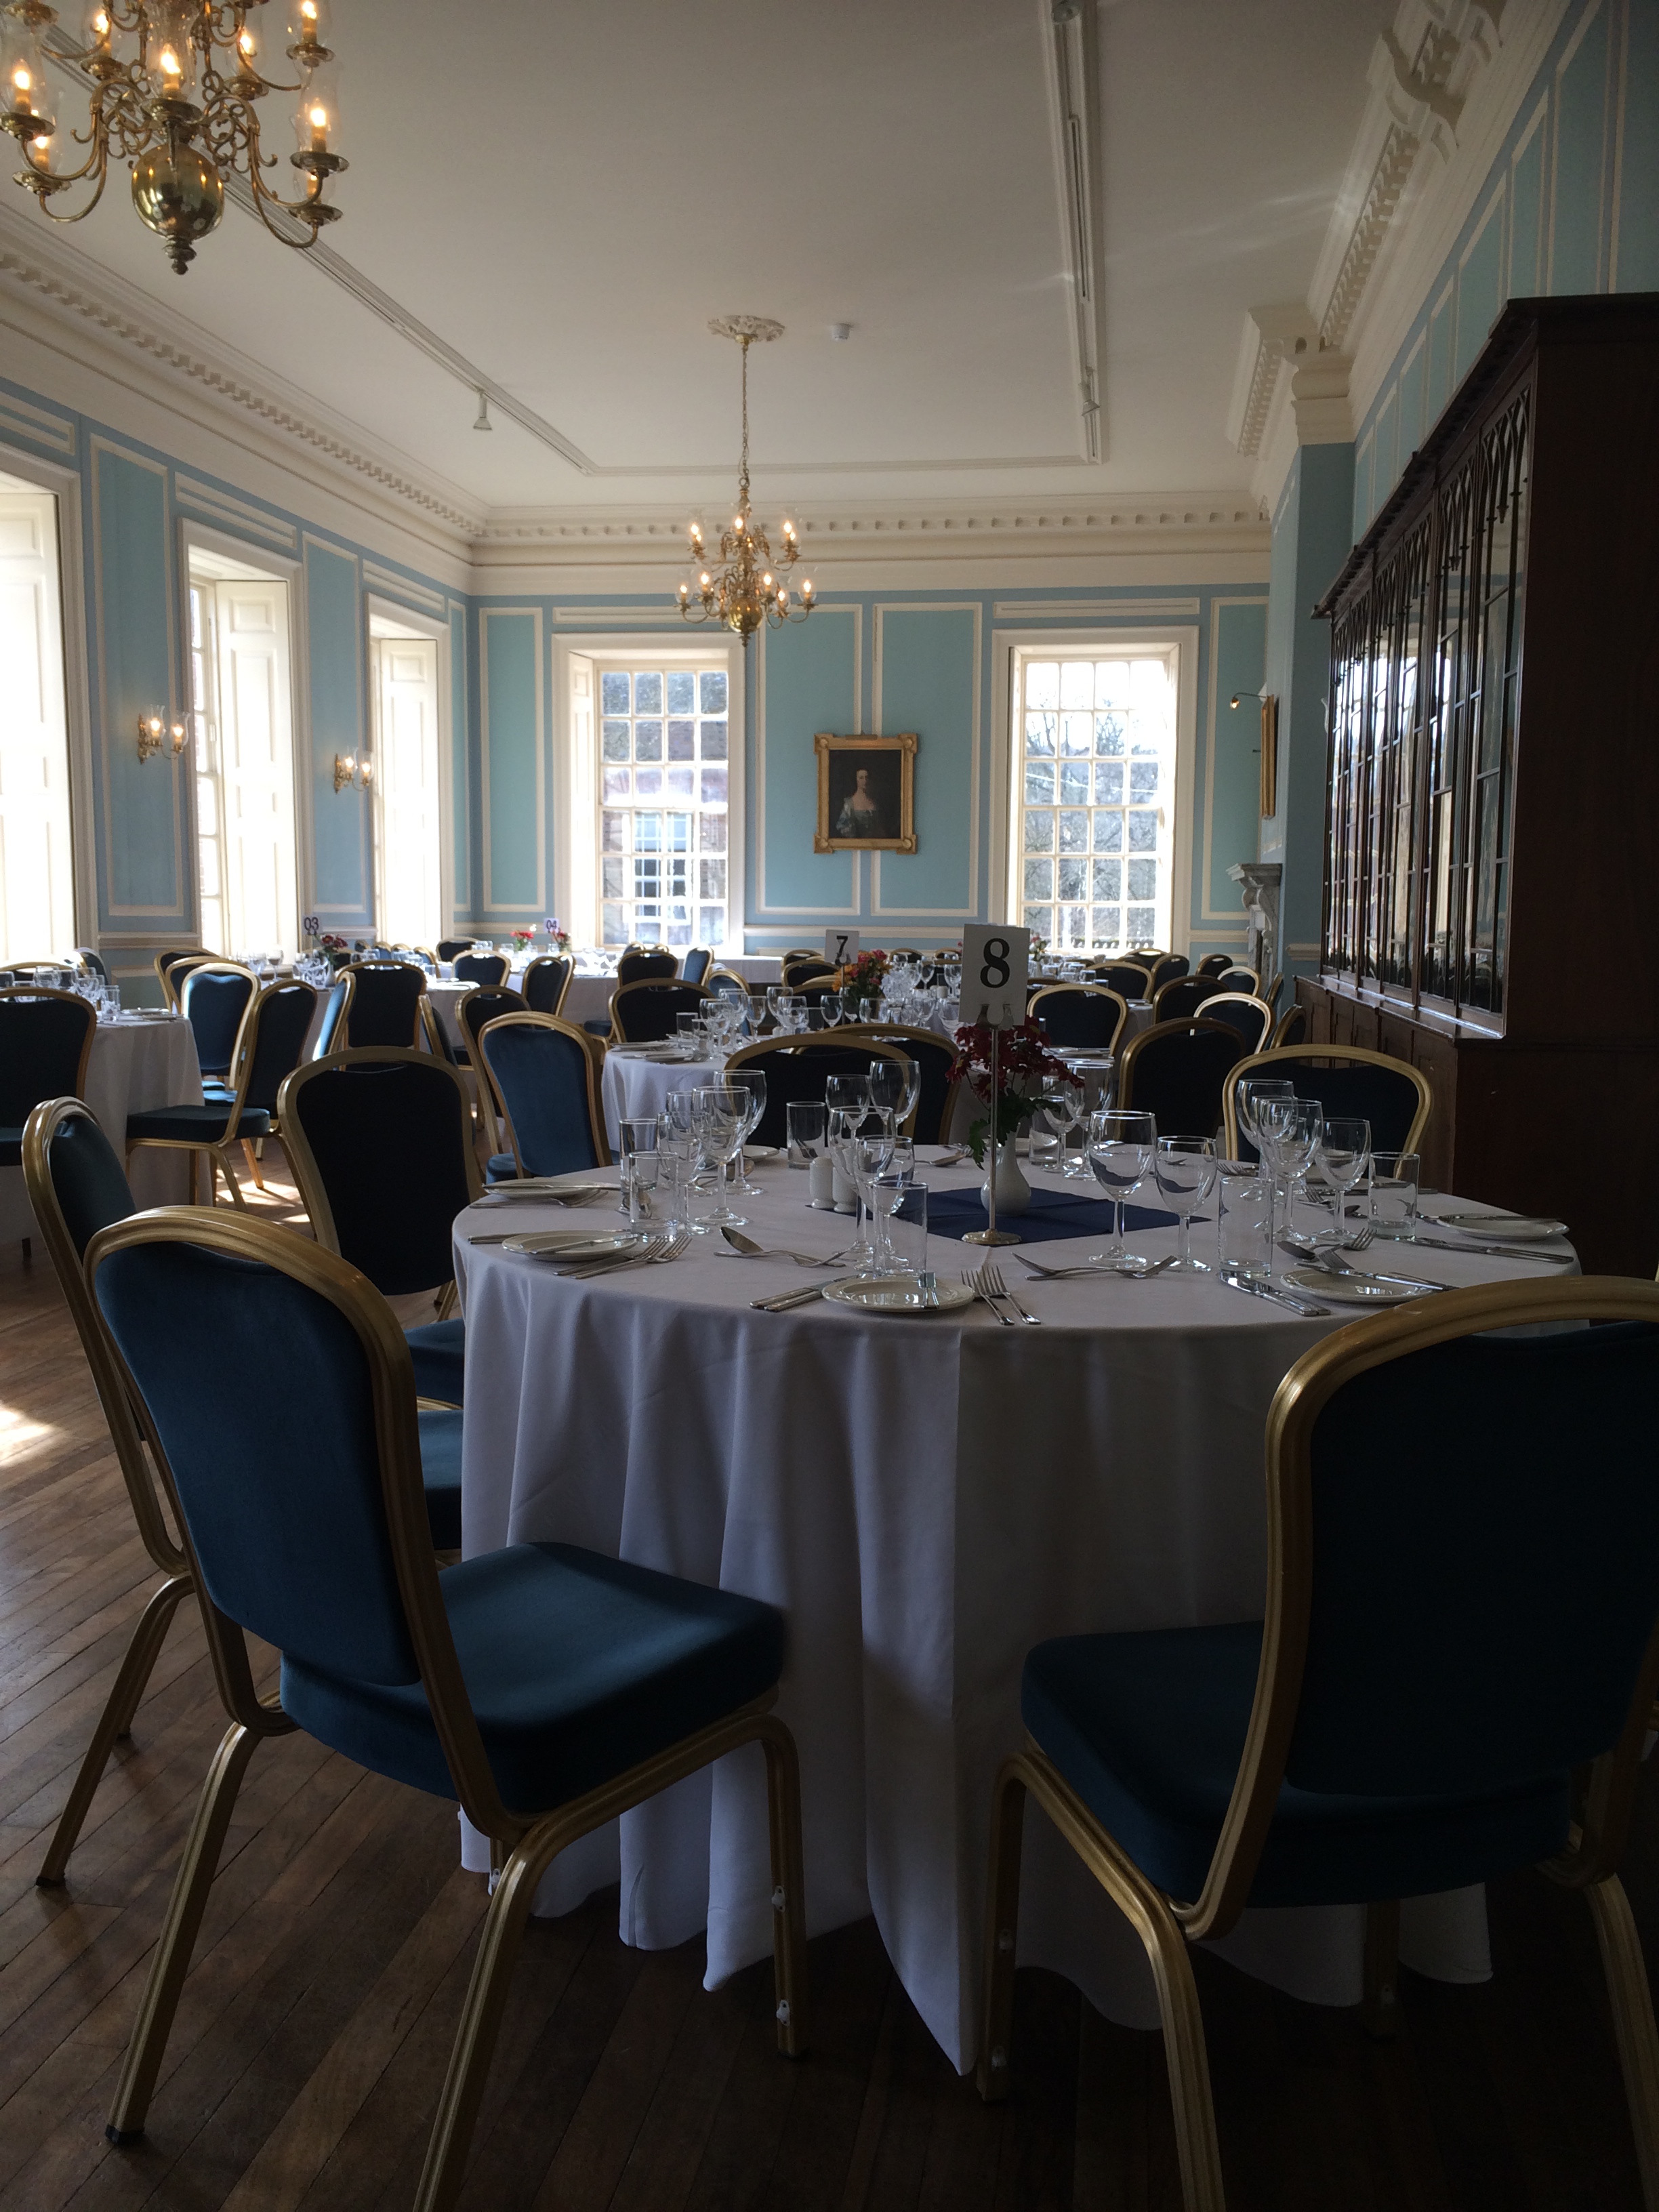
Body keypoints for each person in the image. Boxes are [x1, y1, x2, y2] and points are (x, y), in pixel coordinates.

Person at [834, 765, 886, 839]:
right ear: (856, 780)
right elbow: (843, 828)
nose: (865, 781)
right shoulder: (850, 804)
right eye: (861, 778)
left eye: (867, 778)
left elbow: (880, 828)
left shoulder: (874, 802)